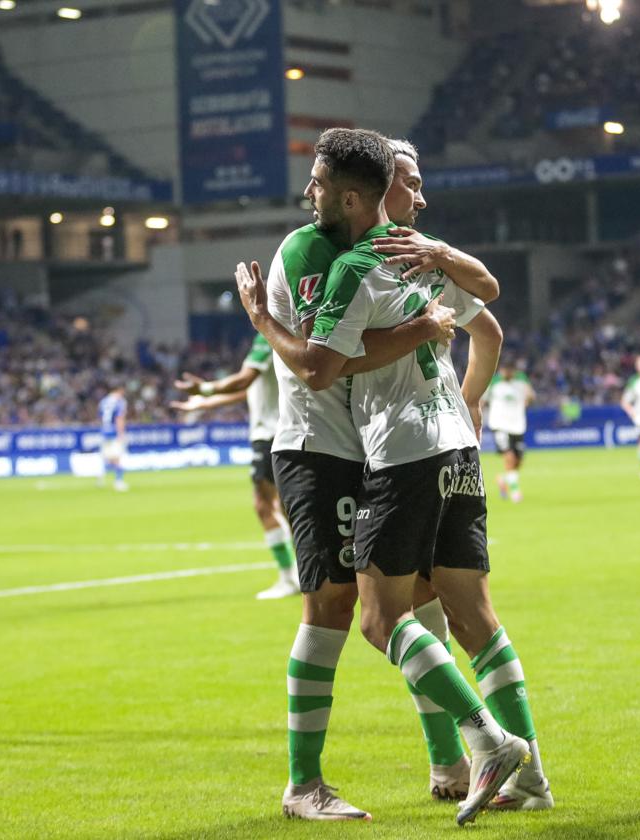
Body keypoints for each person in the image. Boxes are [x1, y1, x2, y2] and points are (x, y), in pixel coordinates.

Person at [240, 128, 551, 827]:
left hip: (391, 449)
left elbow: (481, 315)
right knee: (334, 608)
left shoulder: (400, 252)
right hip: (323, 447)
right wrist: (422, 332)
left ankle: (458, 759)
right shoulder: (309, 250)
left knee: (419, 605)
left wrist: (448, 359)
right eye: (409, 182)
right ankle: (305, 783)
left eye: (320, 181)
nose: (418, 195)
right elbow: (315, 366)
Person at [172, 334, 301, 600]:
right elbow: (248, 390)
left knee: (264, 505)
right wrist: (208, 403)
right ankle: (306, 573)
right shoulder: (281, 334)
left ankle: (289, 578)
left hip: (268, 435)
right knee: (287, 508)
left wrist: (206, 389)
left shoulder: (266, 338)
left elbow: (244, 380)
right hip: (283, 434)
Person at [483, 361, 533, 502]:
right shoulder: (494, 382)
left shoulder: (521, 380)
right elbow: (483, 400)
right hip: (500, 425)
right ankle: (515, 491)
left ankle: (503, 479)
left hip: (517, 425)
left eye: (510, 370)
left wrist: (528, 398)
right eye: (505, 370)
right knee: (509, 456)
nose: (507, 373)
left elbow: (530, 396)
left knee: (519, 461)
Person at [98, 384, 127, 491]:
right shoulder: (120, 402)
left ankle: (101, 474)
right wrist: (121, 434)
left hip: (104, 431)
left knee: (108, 457)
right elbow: (119, 418)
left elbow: (101, 417)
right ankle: (119, 481)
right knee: (117, 457)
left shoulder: (103, 401)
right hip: (114, 431)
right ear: (120, 390)